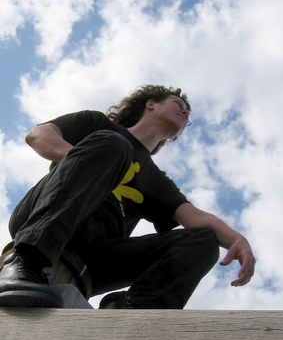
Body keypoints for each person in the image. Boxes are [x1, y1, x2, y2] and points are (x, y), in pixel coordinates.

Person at [0, 85, 255, 309]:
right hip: (43, 223)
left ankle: (132, 310)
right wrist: (89, 161)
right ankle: (23, 262)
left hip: (96, 259)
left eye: (188, 115)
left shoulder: (155, 179)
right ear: (151, 103)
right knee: (116, 144)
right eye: (180, 104)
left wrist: (237, 239)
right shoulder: (99, 126)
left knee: (203, 241)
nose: (186, 113)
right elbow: (39, 135)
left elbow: (195, 217)